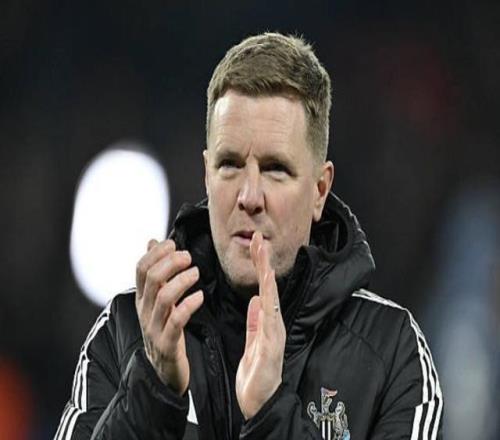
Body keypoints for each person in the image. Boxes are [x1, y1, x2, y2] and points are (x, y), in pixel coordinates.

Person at [55, 32, 443, 440]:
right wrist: (153, 393)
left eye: (275, 169)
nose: (249, 197)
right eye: (230, 165)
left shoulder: (391, 351)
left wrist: (270, 414)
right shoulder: (126, 332)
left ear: (319, 190)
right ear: (206, 176)